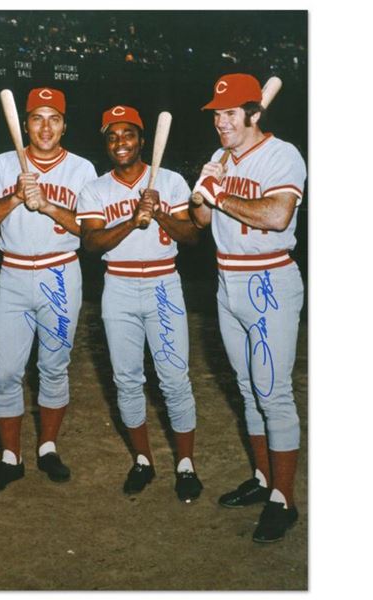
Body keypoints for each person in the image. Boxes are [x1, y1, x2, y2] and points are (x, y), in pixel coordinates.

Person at [190, 73, 306, 542]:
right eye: (216, 114)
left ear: (254, 115)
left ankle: (285, 500)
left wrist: (221, 195)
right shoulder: (222, 158)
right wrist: (203, 187)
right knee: (246, 386)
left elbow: (277, 215)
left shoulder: (284, 155)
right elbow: (200, 220)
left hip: (269, 281)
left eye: (231, 113)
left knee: (273, 391)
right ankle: (263, 480)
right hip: (227, 279)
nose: (221, 122)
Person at [0, 87, 97, 494]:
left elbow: (91, 230)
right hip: (13, 273)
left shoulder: (81, 169)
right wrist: (12, 196)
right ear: (25, 124)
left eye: (54, 119)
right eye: (38, 118)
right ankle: (11, 458)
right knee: (5, 370)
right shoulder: (4, 163)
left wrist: (47, 205)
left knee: (54, 366)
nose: (46, 127)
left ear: (64, 125)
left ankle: (47, 448)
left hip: (61, 273)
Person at [77, 105, 202, 502]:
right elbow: (92, 243)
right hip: (119, 286)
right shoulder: (95, 189)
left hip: (164, 284)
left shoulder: (170, 180)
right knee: (127, 379)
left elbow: (193, 237)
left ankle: (185, 465)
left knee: (174, 378)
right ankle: (143, 460)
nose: (120, 143)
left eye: (128, 134)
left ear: (141, 139)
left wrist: (160, 211)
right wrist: (132, 220)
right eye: (112, 137)